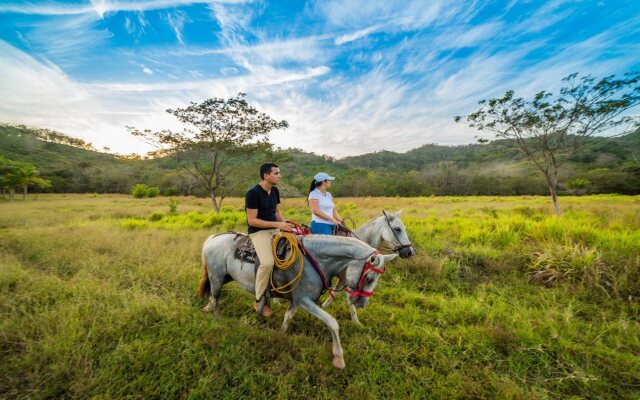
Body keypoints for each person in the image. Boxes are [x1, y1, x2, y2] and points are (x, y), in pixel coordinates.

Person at [245, 163, 292, 317]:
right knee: (267, 263)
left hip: (275, 229)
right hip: (259, 232)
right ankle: (259, 300)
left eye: (279, 173)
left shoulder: (275, 190)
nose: (280, 176)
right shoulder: (252, 193)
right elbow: (252, 221)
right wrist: (277, 225)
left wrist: (286, 225)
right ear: (266, 175)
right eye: (276, 173)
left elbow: (277, 211)